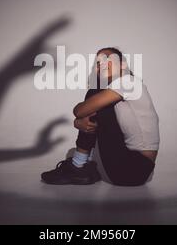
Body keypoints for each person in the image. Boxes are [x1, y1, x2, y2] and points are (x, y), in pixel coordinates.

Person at [41, 47, 160, 186]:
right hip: (137, 169)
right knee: (96, 101)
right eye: (98, 63)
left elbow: (80, 111)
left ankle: (78, 166)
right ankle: (84, 166)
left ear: (123, 64)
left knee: (95, 95)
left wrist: (79, 120)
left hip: (133, 168)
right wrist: (80, 120)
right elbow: (82, 111)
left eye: (108, 59)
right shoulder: (122, 90)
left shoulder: (129, 81)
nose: (101, 64)